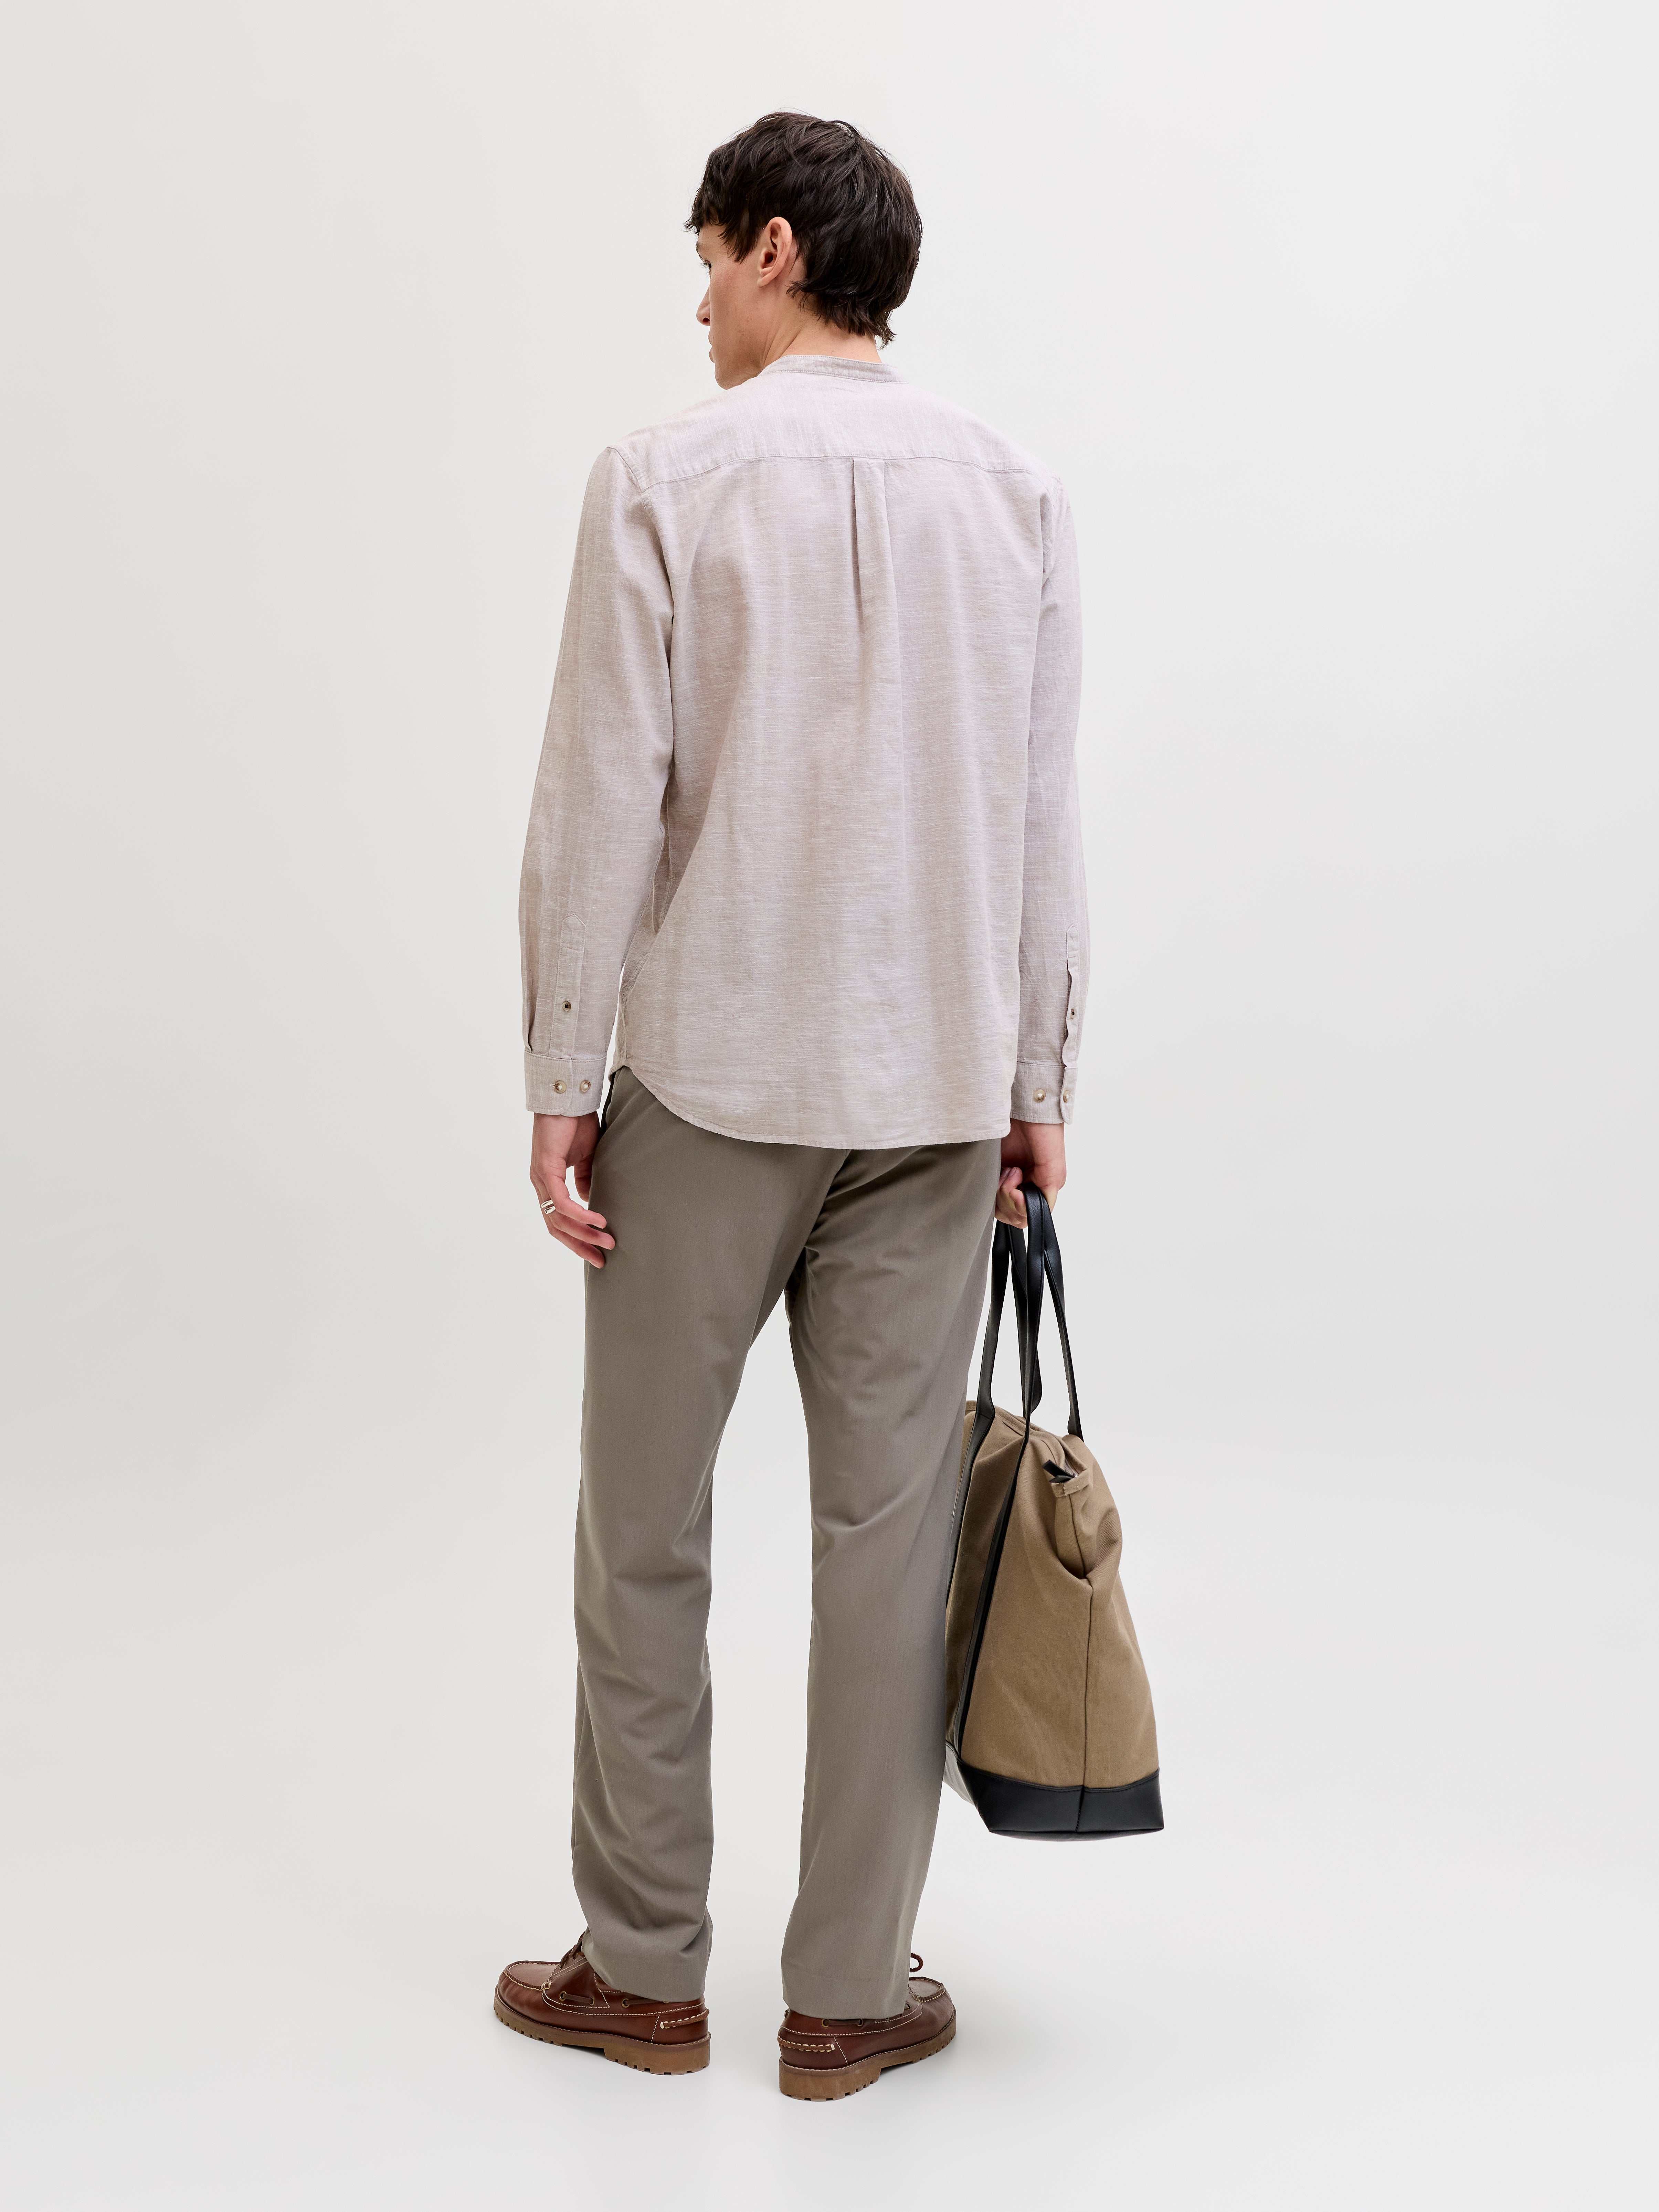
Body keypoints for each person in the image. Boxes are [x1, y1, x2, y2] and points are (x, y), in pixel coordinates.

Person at [495, 112, 1086, 2100]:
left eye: (705, 264)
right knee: (889, 1546)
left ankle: (641, 1970)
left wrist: (559, 1075)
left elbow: (602, 797)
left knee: (642, 1528)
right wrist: (1039, 1083)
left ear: (771, 246)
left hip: (708, 1080)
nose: (697, 308)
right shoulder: (1015, 490)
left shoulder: (662, 476)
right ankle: (847, 1993)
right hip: (935, 1095)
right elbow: (1040, 818)